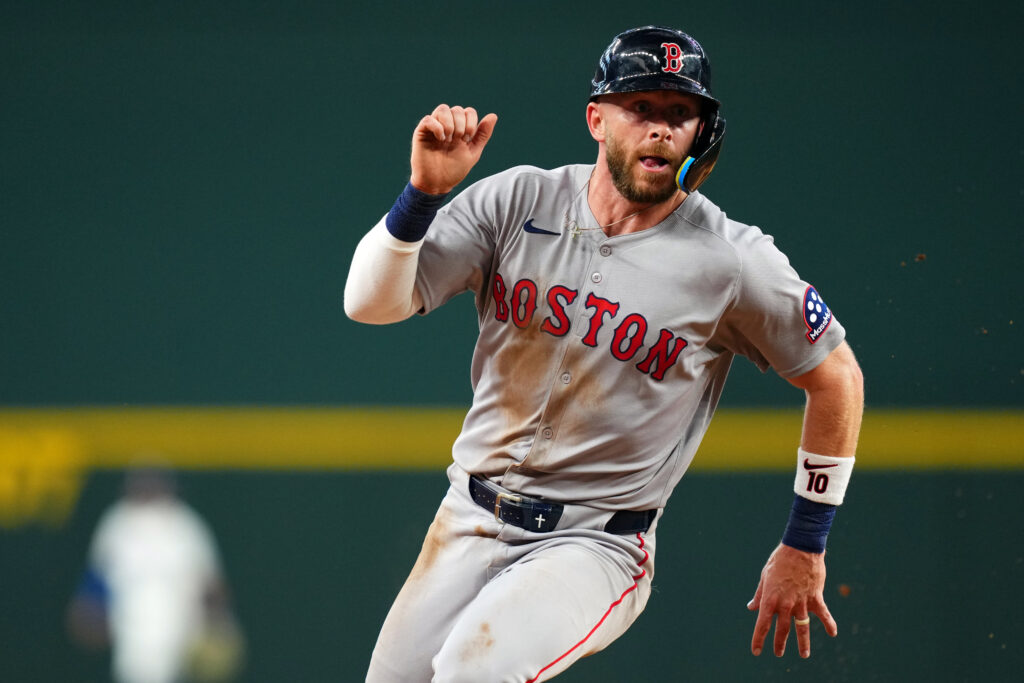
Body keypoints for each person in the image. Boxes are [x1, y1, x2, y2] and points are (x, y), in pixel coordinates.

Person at [344, 25, 864, 682]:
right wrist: (421, 195)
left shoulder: (731, 262)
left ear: (701, 132)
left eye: (681, 114)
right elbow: (370, 303)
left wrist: (806, 540)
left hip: (593, 541)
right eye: (641, 107)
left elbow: (837, 377)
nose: (661, 128)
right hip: (468, 515)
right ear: (596, 118)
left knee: (473, 669)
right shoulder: (519, 199)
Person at [67, 465, 244, 683]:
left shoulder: (185, 525)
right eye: (144, 485)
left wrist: (219, 623)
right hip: (133, 639)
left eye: (154, 485)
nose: (149, 491)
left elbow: (212, 587)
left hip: (180, 638)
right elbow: (95, 586)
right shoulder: (117, 524)